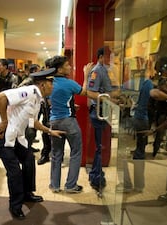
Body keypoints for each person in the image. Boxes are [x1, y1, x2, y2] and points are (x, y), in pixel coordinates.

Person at [0, 68, 65, 219]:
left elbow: (32, 121)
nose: (53, 86)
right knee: (14, 170)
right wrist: (4, 120)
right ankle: (15, 205)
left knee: (29, 160)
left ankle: (27, 193)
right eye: (51, 83)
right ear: (42, 84)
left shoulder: (38, 99)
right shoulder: (29, 91)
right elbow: (1, 97)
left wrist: (50, 131)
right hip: (0, 134)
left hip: (15, 136)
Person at [48, 56, 97, 193]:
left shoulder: (49, 83)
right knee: (76, 152)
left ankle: (55, 185)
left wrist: (68, 104)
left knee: (57, 154)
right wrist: (86, 75)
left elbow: (50, 102)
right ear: (59, 69)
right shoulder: (69, 83)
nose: (70, 67)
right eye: (67, 65)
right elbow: (85, 92)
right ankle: (70, 186)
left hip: (54, 121)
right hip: (69, 122)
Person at [86, 46, 119, 191]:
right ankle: (96, 177)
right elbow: (91, 92)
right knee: (100, 147)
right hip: (99, 112)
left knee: (101, 145)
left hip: (104, 110)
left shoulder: (105, 70)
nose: (110, 60)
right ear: (100, 57)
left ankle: (96, 173)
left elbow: (106, 91)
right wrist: (108, 98)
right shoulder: (97, 71)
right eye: (108, 57)